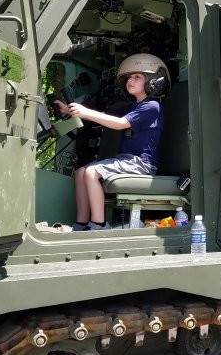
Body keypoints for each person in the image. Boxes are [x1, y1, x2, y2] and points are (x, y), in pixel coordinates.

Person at [54, 53, 167, 231]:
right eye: (129, 77)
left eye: (137, 77)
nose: (130, 80)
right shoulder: (134, 107)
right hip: (126, 160)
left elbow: (120, 123)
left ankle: (99, 225)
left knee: (91, 172)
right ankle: (81, 224)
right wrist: (70, 111)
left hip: (142, 164)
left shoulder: (152, 106)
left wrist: (85, 112)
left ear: (155, 82)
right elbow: (104, 116)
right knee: (80, 172)